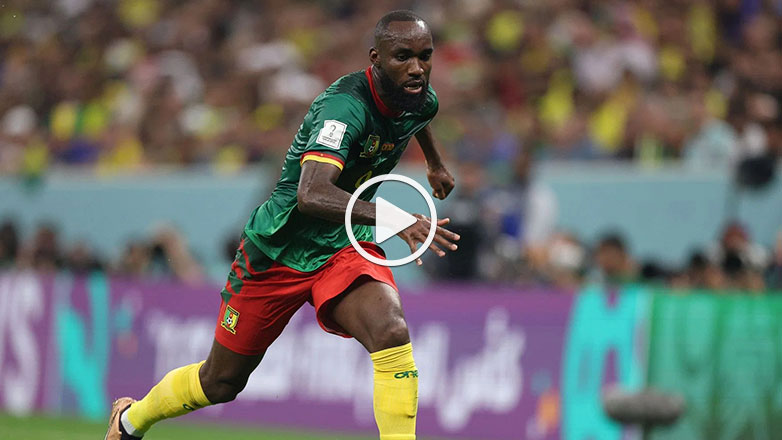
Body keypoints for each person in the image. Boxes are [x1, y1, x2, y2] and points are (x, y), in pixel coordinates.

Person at [105, 10, 459, 440]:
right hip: (279, 248)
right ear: (376, 59)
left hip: (343, 244)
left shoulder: (419, 95)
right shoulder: (343, 108)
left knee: (391, 331)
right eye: (403, 57)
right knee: (221, 381)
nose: (417, 68)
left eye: (425, 56)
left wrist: (435, 164)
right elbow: (312, 194)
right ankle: (130, 420)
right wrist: (396, 218)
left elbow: (418, 115)